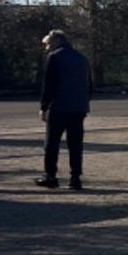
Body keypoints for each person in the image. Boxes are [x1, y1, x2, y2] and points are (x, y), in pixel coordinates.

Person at [37, 30, 92, 191]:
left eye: (48, 43)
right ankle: (75, 178)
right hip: (79, 107)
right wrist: (84, 102)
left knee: (52, 143)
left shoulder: (55, 58)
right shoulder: (82, 58)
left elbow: (49, 86)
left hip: (59, 106)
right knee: (75, 144)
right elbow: (89, 85)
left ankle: (50, 176)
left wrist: (44, 107)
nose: (47, 48)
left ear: (56, 41)